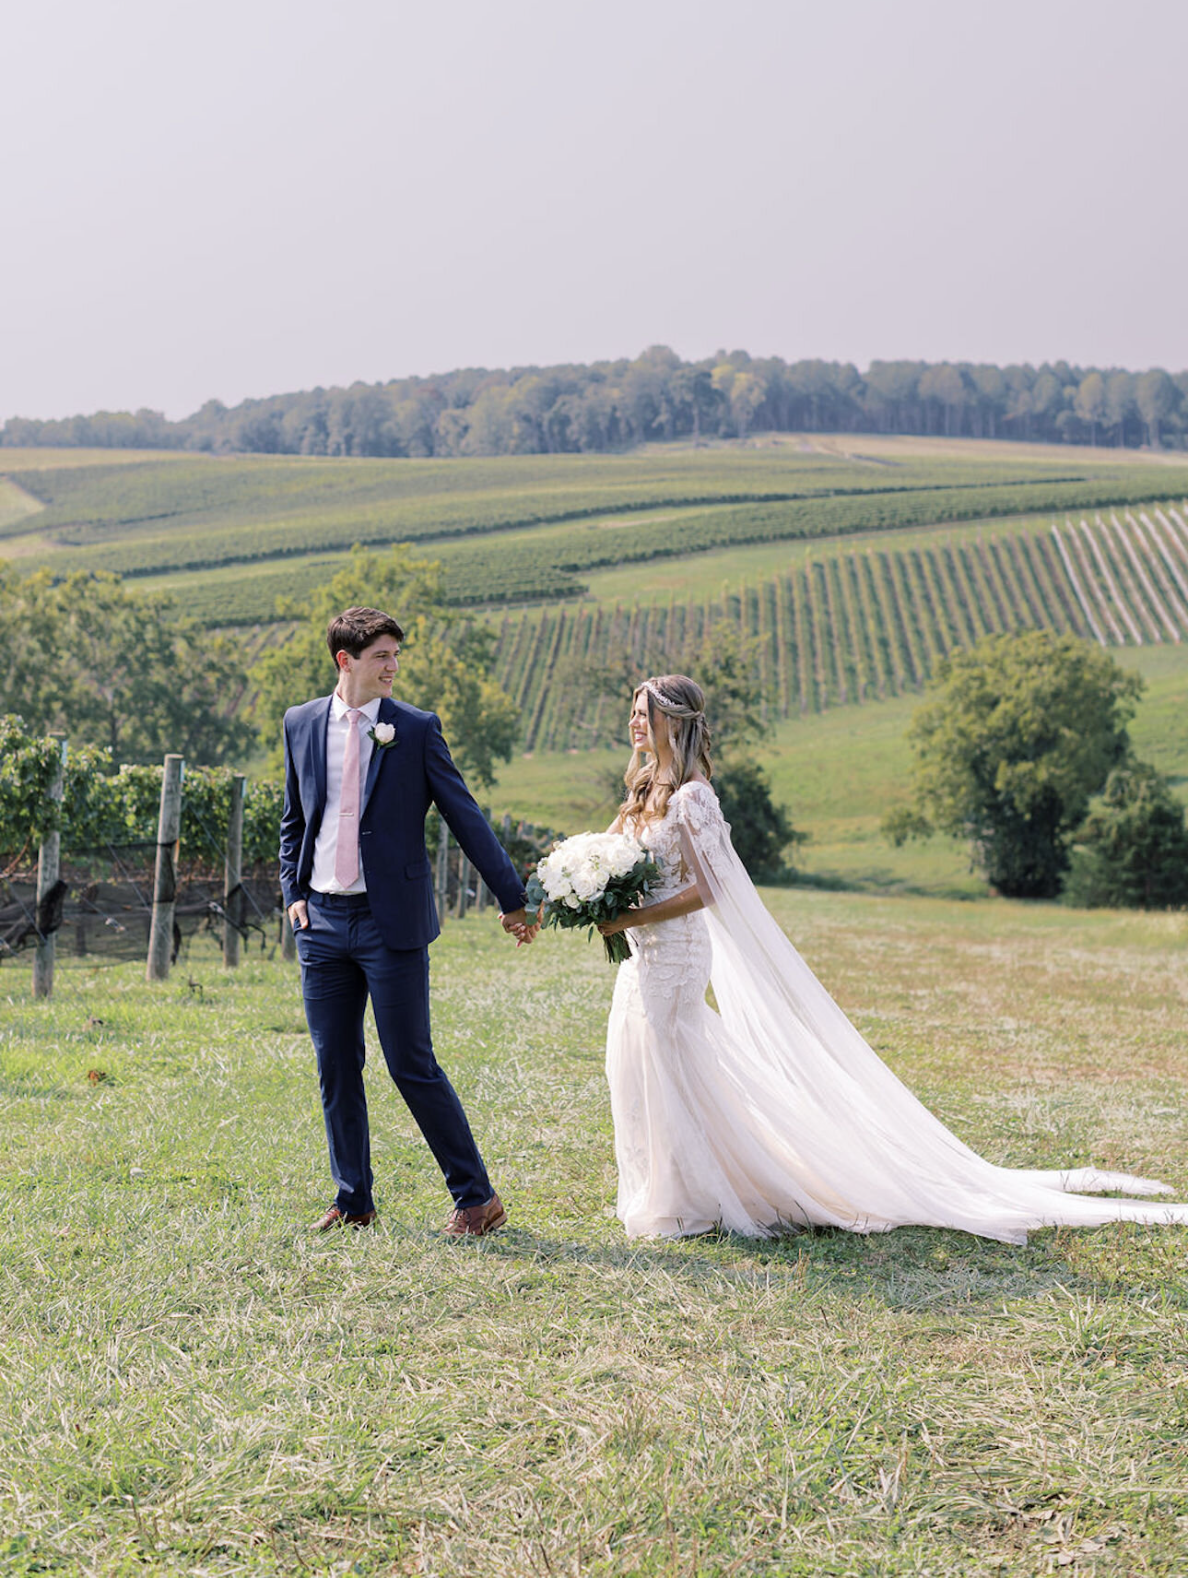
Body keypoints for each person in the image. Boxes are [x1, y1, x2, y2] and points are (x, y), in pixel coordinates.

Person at [593, 674, 1188, 1243]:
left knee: (675, 1058)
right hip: (642, 956)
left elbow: (714, 888)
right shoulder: (644, 788)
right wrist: (586, 887)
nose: (633, 722)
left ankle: (700, 1194)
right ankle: (669, 1187)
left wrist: (636, 917)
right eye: (634, 712)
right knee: (637, 1054)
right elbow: (618, 859)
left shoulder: (695, 797)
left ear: (673, 720)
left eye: (643, 713)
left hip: (676, 955)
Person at [280, 605, 537, 1236]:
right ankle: (353, 1200)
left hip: (388, 924)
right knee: (335, 1064)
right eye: (381, 657)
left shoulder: (415, 729)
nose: (392, 667)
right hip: (321, 923)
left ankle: (477, 1200)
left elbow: (464, 816)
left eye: (396, 656)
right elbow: (293, 818)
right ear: (347, 662)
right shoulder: (301, 723)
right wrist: (293, 892)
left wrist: (512, 898)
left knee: (409, 1062)